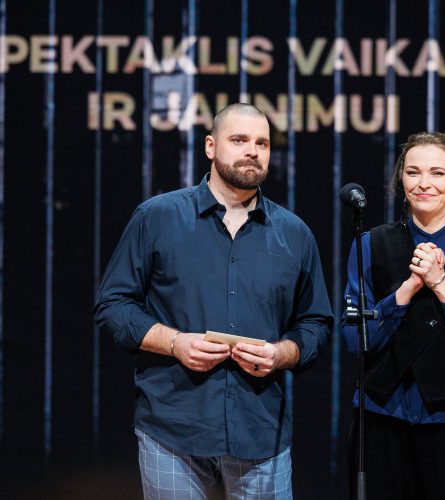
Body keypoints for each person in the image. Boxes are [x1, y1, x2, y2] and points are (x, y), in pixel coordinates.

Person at [94, 103, 333, 500]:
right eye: (239, 140)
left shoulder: (295, 234)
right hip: (173, 427)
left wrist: (280, 353)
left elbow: (315, 324)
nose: (252, 151)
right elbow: (114, 305)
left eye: (262, 143)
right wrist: (175, 343)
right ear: (210, 146)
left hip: (261, 433)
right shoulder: (157, 217)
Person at [341, 132, 445, 500]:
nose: (423, 183)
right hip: (382, 426)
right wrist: (407, 289)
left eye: (437, 173)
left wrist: (441, 284)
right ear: (401, 181)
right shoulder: (370, 244)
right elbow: (354, 340)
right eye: (412, 173)